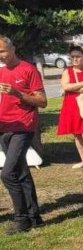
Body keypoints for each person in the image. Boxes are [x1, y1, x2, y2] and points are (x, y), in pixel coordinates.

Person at [0, 36, 47, 234]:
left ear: (13, 49)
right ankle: (34, 216)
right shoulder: (0, 70)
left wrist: (18, 94)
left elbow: (42, 102)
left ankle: (21, 219)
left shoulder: (28, 69)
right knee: (21, 172)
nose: (0, 55)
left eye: (2, 51)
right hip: (4, 126)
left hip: (23, 126)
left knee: (7, 173)